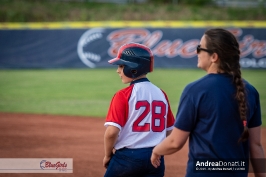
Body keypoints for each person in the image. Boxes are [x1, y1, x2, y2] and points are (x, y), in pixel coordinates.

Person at [151, 28, 265, 177]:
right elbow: (255, 145)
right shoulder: (250, 91)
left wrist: (156, 151)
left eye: (200, 48)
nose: (197, 52)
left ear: (214, 57)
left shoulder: (195, 90)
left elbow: (175, 142)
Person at [103, 42, 175, 177]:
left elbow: (111, 132)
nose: (118, 70)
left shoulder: (123, 95)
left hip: (127, 159)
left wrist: (107, 155)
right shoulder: (161, 94)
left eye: (121, 66)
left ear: (133, 68)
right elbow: (170, 130)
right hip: (156, 158)